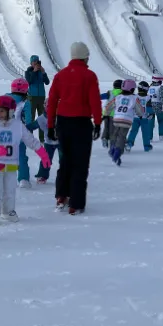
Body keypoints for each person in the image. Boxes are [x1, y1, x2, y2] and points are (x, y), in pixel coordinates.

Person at [46, 41, 102, 215]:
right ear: (85, 57)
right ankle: (76, 203)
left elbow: (53, 100)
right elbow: (95, 101)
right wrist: (98, 122)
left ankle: (61, 196)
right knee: (80, 164)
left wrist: (50, 125)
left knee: (65, 162)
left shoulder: (60, 75)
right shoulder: (89, 76)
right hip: (82, 123)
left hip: (63, 123)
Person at [0, 95, 51, 225]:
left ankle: (8, 211)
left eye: (2, 111)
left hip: (11, 164)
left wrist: (43, 154)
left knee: (10, 189)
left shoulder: (18, 126)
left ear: (10, 111)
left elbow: (30, 140)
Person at [105, 79, 143, 166]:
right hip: (126, 120)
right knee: (122, 136)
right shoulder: (134, 98)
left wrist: (107, 113)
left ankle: (112, 148)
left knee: (114, 134)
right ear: (132, 89)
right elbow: (139, 110)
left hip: (117, 119)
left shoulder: (118, 97)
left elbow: (109, 106)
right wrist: (140, 114)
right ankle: (117, 152)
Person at [8, 78, 35, 187]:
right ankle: (23, 179)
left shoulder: (5, 99)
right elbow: (28, 120)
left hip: (4, 133)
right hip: (19, 133)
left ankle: (4, 178)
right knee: (21, 156)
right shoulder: (26, 102)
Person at [126, 80, 155, 152]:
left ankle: (129, 143)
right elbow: (149, 108)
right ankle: (147, 146)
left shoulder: (134, 97)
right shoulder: (148, 98)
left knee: (133, 131)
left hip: (135, 118)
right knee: (146, 132)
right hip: (145, 119)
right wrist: (151, 114)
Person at [25, 55, 51, 136]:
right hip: (32, 97)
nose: (36, 63)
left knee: (42, 118)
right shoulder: (28, 72)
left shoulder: (41, 72)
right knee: (31, 117)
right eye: (34, 62)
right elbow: (29, 81)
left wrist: (44, 73)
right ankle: (29, 136)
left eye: (37, 61)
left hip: (41, 97)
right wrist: (34, 72)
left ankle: (42, 138)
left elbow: (47, 82)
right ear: (31, 63)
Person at [34, 113, 59, 184]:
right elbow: (33, 126)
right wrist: (22, 129)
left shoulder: (62, 114)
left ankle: (67, 176)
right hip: (48, 143)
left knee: (64, 159)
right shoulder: (41, 118)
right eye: (46, 105)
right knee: (46, 159)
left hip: (61, 141)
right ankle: (42, 175)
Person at [100, 79, 123, 149]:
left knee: (106, 127)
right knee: (113, 129)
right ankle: (113, 142)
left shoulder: (109, 92)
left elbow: (100, 96)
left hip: (106, 113)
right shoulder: (123, 93)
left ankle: (104, 138)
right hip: (116, 114)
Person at [148, 74, 163, 141]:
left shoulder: (150, 87)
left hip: (149, 105)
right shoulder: (160, 87)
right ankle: (162, 135)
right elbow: (162, 97)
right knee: (161, 120)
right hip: (158, 105)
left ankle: (149, 137)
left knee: (150, 121)